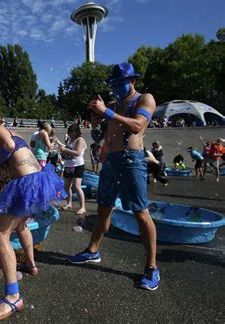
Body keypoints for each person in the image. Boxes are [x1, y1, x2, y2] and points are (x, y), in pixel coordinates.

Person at [0, 105, 66, 320]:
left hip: (26, 183)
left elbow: (10, 147)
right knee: (21, 225)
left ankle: (13, 296)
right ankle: (31, 264)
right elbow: (14, 153)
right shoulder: (9, 129)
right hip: (38, 178)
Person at [67, 63, 160, 291]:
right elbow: (104, 131)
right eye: (114, 85)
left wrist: (106, 112)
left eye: (121, 84)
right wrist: (96, 118)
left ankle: (151, 267)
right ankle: (92, 251)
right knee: (103, 209)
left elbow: (138, 126)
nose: (117, 88)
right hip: (111, 161)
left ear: (132, 81)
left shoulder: (144, 99)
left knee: (140, 212)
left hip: (132, 160)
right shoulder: (112, 105)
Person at [55, 124, 87, 214]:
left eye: (71, 132)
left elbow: (77, 152)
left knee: (77, 186)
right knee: (67, 186)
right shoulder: (71, 140)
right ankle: (69, 203)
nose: (69, 134)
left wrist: (64, 150)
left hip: (77, 166)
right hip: (69, 165)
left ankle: (82, 207)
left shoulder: (80, 140)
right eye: (69, 132)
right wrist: (59, 143)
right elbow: (68, 147)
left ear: (75, 132)